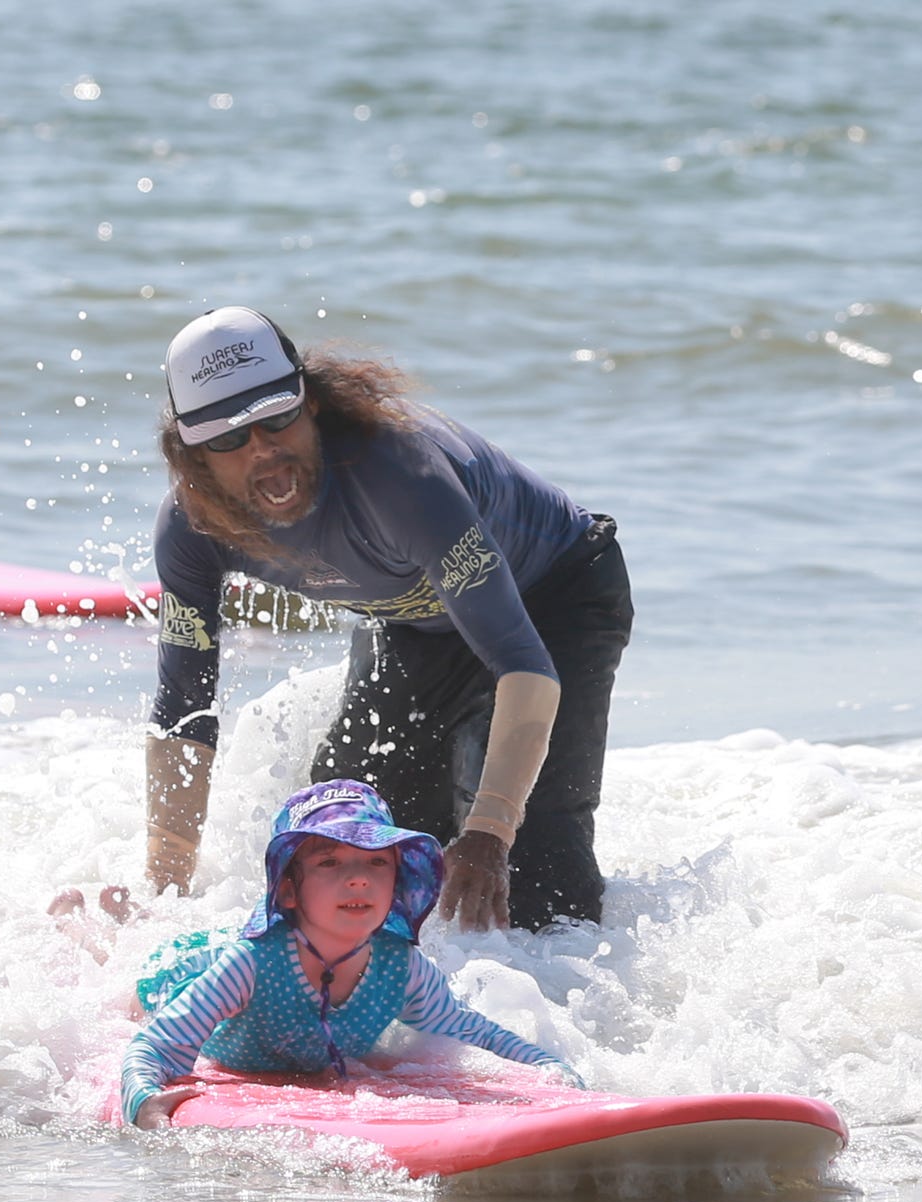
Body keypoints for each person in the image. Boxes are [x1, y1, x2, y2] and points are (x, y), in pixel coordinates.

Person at [146, 306, 632, 932]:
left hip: (557, 595)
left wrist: (490, 831)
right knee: (350, 838)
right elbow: (183, 708)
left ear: (311, 403)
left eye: (277, 418)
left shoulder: (399, 477)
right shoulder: (191, 529)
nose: (264, 452)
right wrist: (163, 893)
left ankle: (568, 1006)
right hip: (418, 624)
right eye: (228, 440)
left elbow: (522, 660)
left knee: (533, 864)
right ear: (192, 455)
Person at [122, 780, 580, 1128]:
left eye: (377, 861)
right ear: (287, 890)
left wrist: (544, 1065)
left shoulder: (401, 968)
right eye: (329, 862)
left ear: (398, 882)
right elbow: (155, 1044)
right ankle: (94, 922)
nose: (359, 879)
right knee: (128, 1002)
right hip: (186, 968)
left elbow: (470, 1028)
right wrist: (142, 1097)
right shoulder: (248, 966)